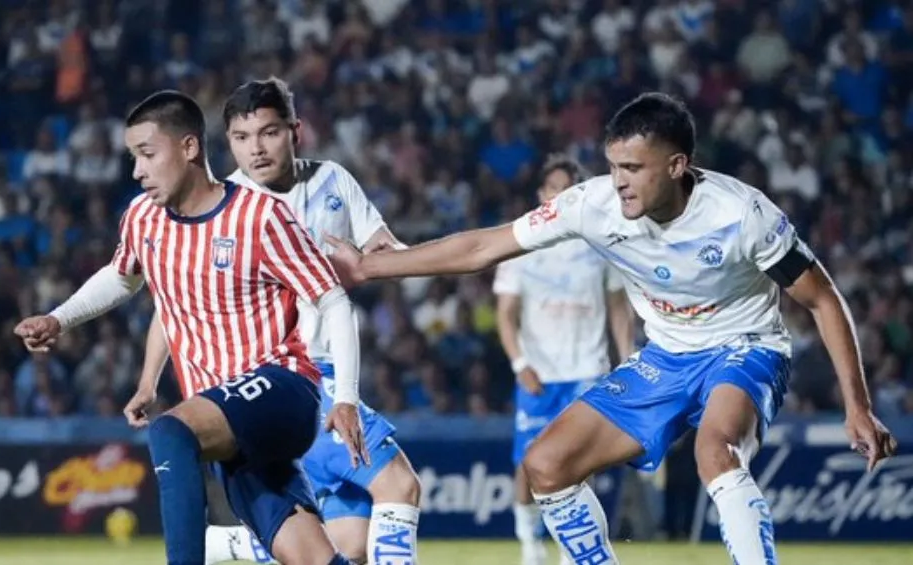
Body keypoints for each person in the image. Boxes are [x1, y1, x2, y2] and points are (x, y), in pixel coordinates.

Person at [326, 92, 897, 565]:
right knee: (546, 465)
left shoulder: (743, 215)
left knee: (715, 449)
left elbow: (822, 298)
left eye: (633, 169)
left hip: (745, 348)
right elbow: (482, 247)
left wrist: (857, 405)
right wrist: (371, 267)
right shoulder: (590, 205)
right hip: (665, 356)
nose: (618, 181)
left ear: (676, 166)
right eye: (613, 166)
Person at [14, 90, 366, 565]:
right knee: (310, 558)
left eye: (147, 154)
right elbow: (123, 278)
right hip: (228, 420)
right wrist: (59, 318)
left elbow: (333, 299)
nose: (137, 171)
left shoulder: (259, 216)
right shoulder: (142, 218)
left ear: (189, 147)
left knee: (170, 432)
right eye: (133, 157)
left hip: (283, 389)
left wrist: (345, 398)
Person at [188, 77, 420, 565]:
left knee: (351, 543)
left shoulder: (333, 179)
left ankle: (227, 546)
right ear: (228, 142)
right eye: (242, 137)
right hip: (287, 377)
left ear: (296, 131)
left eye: (269, 133)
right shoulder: (225, 206)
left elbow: (385, 251)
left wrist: (381, 260)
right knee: (399, 485)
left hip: (332, 370)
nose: (256, 149)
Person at [493, 154, 634, 565]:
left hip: (588, 369)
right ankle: (530, 543)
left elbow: (618, 308)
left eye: (568, 189)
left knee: (578, 465)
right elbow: (506, 315)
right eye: (553, 188)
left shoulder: (599, 242)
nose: (560, 195)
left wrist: (627, 360)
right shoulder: (521, 243)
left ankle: (571, 550)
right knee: (527, 464)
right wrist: (520, 364)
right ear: (542, 193)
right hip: (539, 374)